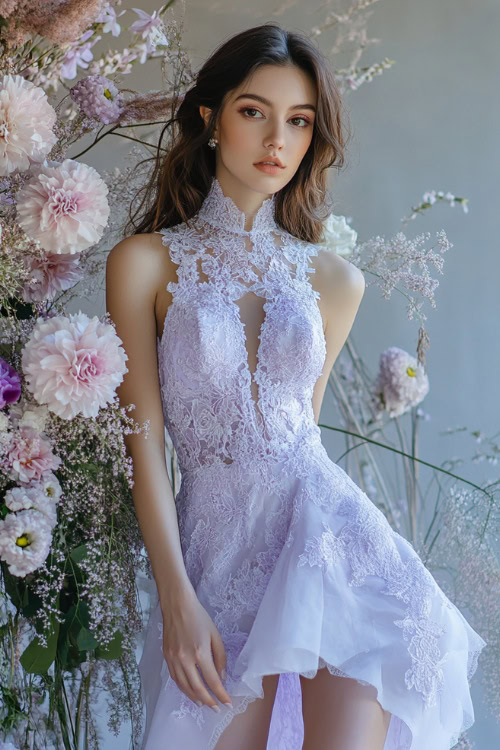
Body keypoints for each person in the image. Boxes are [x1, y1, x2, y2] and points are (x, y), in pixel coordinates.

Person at [105, 22, 486, 750]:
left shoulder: (336, 281)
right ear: (211, 118)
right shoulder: (146, 264)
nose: (277, 138)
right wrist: (176, 596)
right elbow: (144, 443)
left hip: (333, 556)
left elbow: (301, 439)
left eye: (299, 121)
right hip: (212, 558)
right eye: (255, 111)